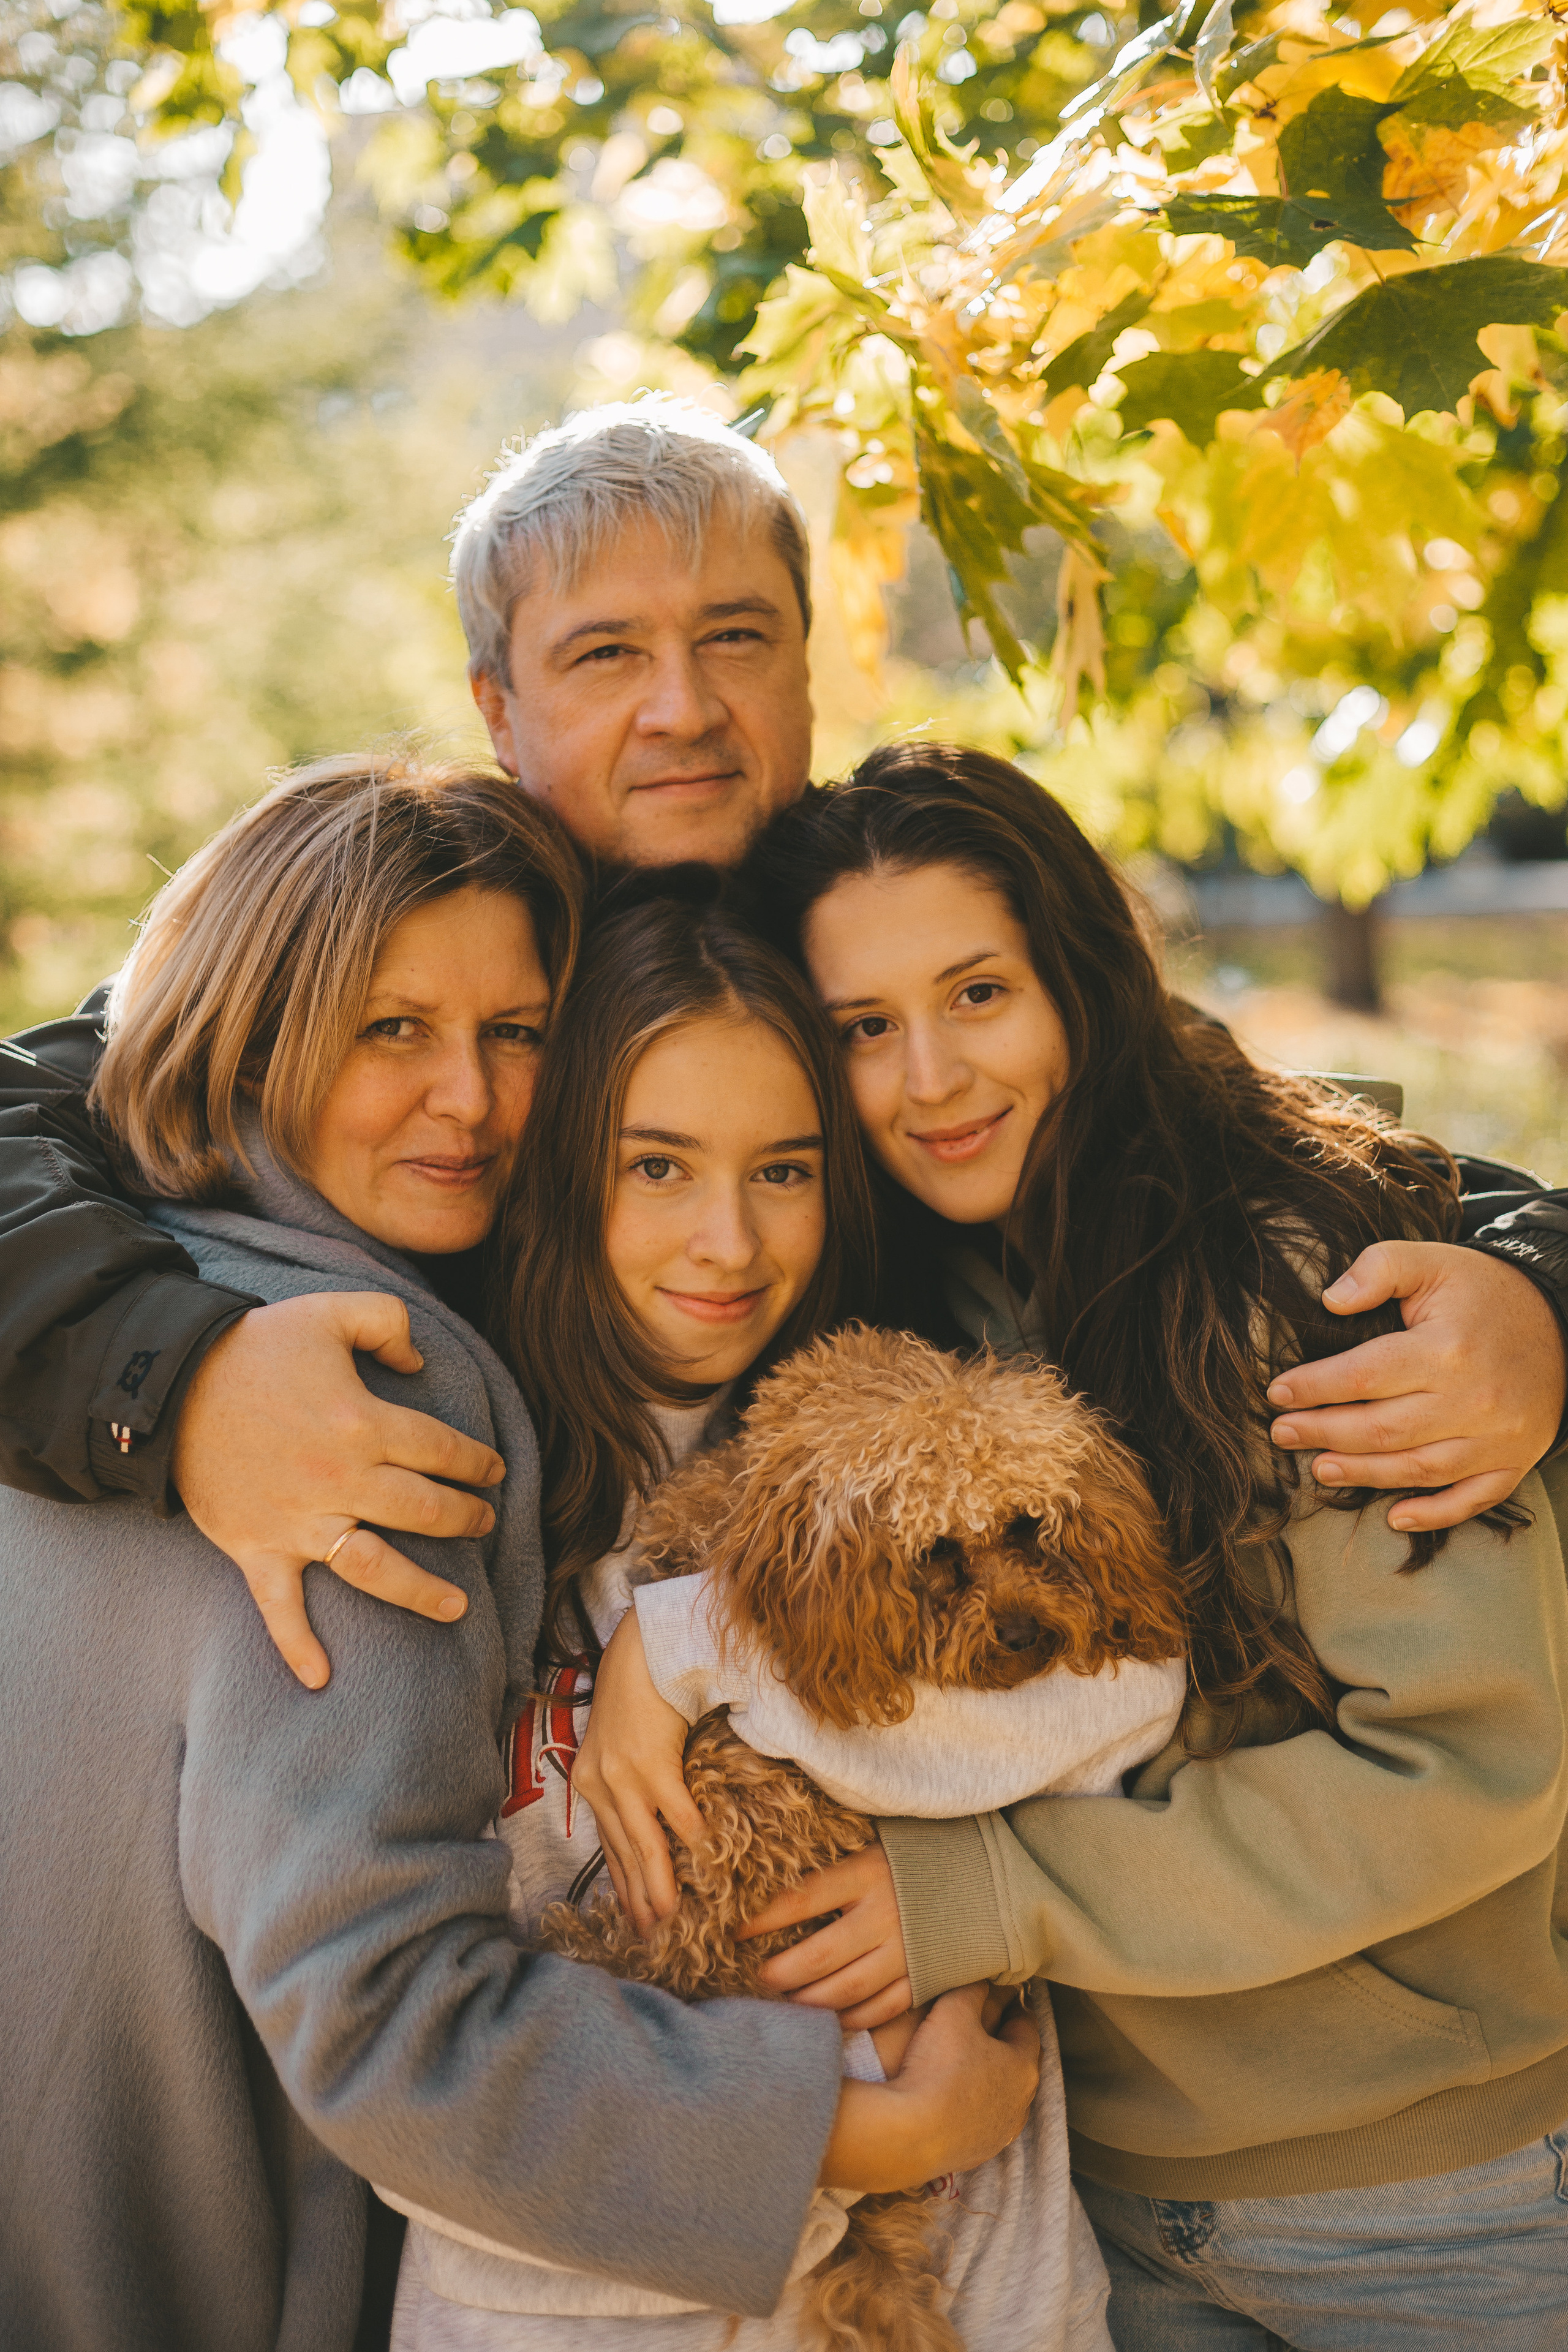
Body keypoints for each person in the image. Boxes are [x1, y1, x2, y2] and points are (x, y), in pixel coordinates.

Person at [0, 401, 1563, 1691]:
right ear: (498, 699)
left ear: (809, 662)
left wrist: (1540, 1301)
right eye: (606, 655)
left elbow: (1295, 1151)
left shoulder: (887, 914)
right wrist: (185, 1384)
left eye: (732, 637)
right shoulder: (425, 921)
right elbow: (45, 1113)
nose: (681, 707)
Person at [0, 754, 1038, 2352]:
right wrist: (857, 2131)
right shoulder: (351, 1387)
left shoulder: (126, 1287)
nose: (474, 1103)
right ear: (257, 1026)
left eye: (516, 1034)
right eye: (392, 1030)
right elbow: (389, 2016)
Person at [579, 741, 1568, 2346]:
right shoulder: (918, 1300)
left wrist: (986, 1892)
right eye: (863, 1031)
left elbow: (1464, 1774)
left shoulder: (1299, 1279)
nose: (934, 1078)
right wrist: (676, 1642)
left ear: (1080, 982)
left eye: (980, 994)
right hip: (1096, 2194)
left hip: (1419, 2201)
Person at [392, 884, 1164, 2350]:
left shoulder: (907, 1446)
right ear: (560, 1168)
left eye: (787, 1169)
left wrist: (687, 1650)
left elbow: (1126, 1686)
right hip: (571, 2292)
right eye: (658, 1166)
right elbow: (411, 2023)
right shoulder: (438, 1474)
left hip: (964, 2273)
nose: (730, 1243)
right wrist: (856, 2134)